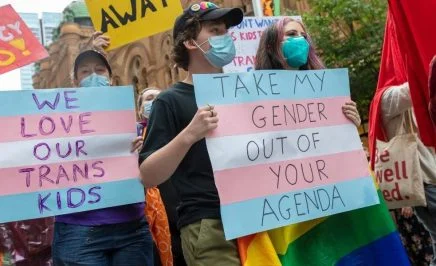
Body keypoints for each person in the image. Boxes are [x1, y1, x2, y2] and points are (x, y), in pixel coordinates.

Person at [139, 2, 244, 265]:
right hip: (209, 225)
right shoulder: (169, 101)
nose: (225, 37)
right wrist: (190, 134)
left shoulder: (244, 93)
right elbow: (148, 173)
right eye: (215, 30)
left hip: (256, 218)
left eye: (225, 31)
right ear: (189, 42)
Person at [51, 49, 153, 266]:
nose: (93, 76)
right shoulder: (56, 127)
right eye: (85, 72)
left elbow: (149, 175)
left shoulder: (132, 128)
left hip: (131, 227)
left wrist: (141, 152)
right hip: (78, 230)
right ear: (75, 81)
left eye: (99, 70)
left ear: (110, 78)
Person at [255, 17, 361, 127]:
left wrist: (350, 125)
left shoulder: (325, 87)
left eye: (304, 36)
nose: (300, 39)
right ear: (270, 47)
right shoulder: (256, 93)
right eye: (291, 34)